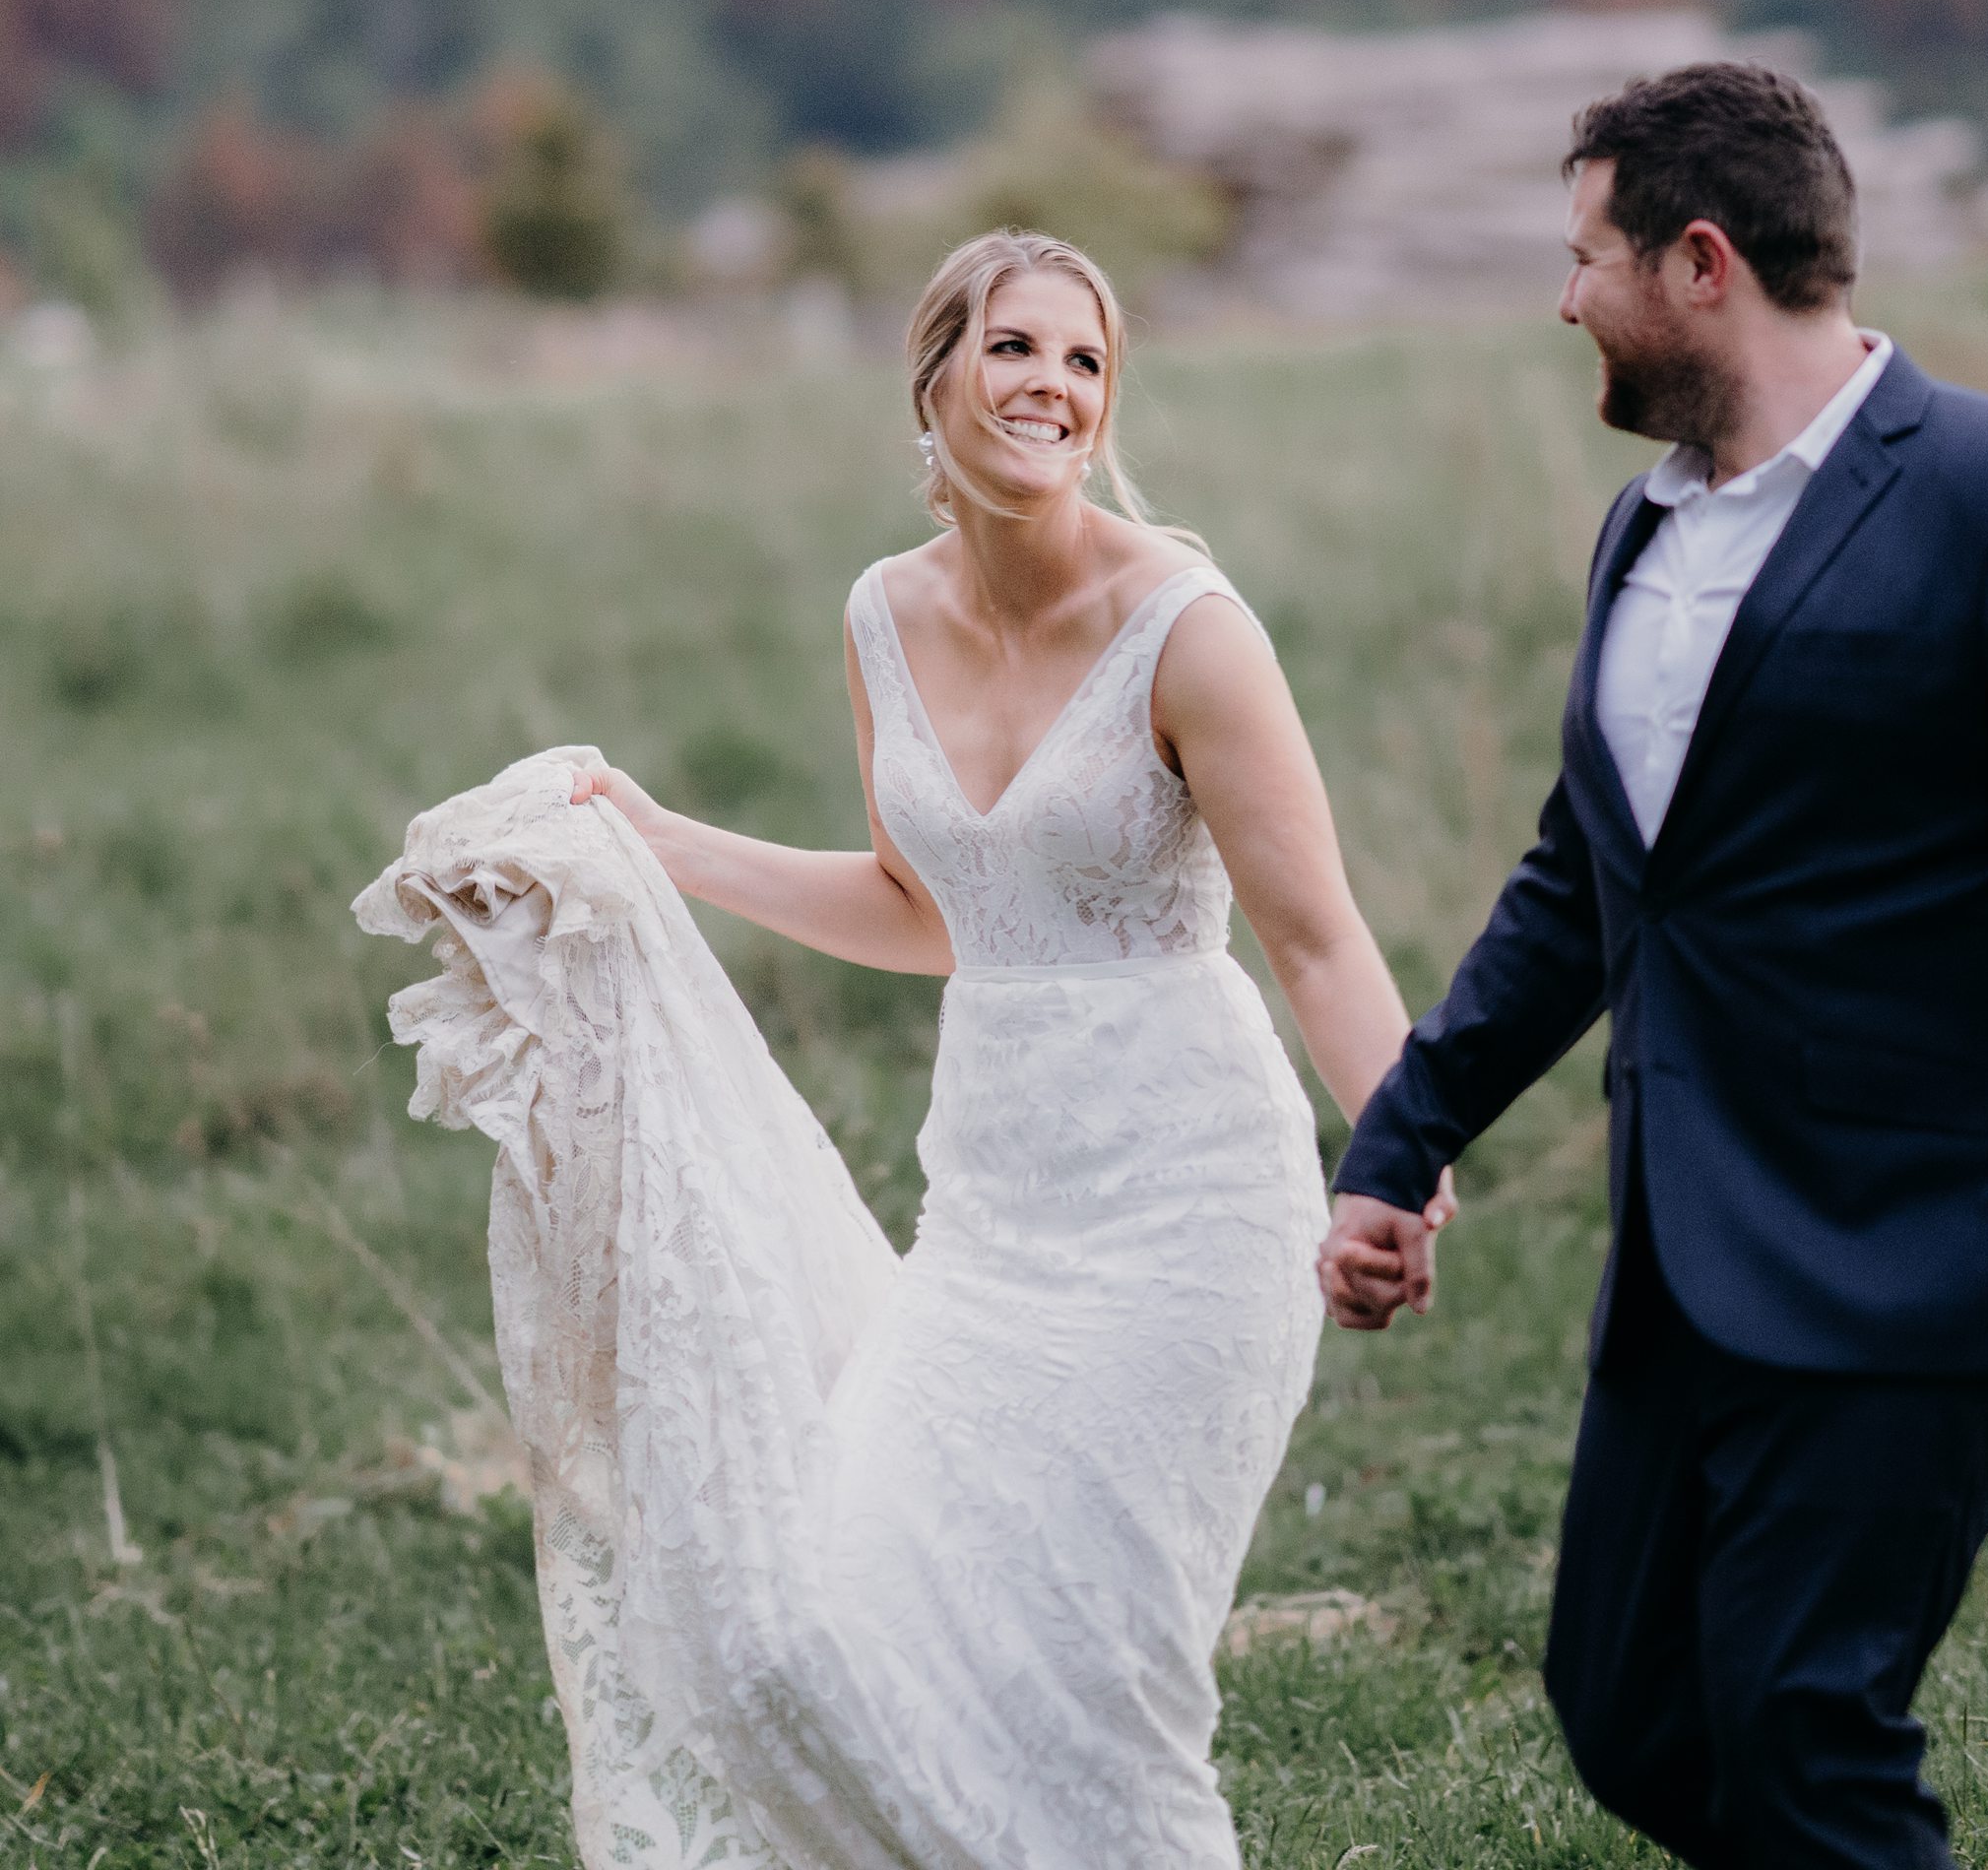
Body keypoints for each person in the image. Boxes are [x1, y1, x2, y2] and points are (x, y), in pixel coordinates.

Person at [1316, 62, 1988, 1868]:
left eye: (1587, 259)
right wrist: (1403, 1138)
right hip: (1693, 1248)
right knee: (1630, 1707)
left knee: (1802, 1714)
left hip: (1932, 1241)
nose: (1565, 300)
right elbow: (1589, 881)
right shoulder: (1642, 531)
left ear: (1699, 262)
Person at [367, 227, 1443, 1868]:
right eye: (1016, 348)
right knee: (809, 1636)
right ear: (933, 376)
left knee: (1094, 1700)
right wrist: (668, 844)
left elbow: (1316, 938)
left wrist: (1401, 1152)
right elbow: (929, 907)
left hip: (1189, 1220)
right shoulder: (884, 616)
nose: (1053, 389)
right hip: (993, 1226)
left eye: (1086, 361)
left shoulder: (1191, 632)